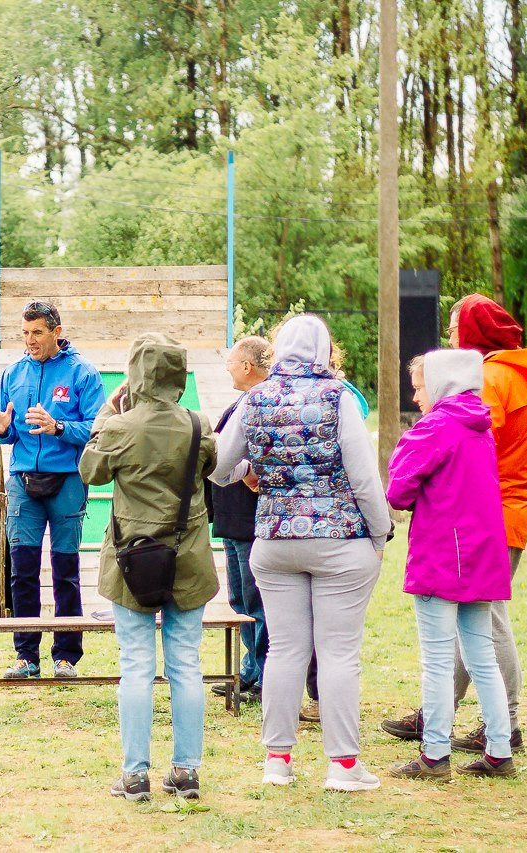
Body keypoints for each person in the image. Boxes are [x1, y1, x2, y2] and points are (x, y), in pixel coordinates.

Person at [211, 314, 391, 792]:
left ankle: (277, 760)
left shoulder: (256, 397)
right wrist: (380, 533)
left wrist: (251, 471)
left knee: (285, 650)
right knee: (338, 653)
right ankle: (344, 766)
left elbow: (218, 466)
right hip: (340, 539)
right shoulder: (337, 396)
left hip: (274, 540)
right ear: (324, 350)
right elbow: (363, 476)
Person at [382, 294, 527, 752]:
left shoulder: (490, 379)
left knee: (485, 627)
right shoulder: (523, 376)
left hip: (476, 518)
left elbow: (460, 454)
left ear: (474, 332)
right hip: (509, 509)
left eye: (456, 329)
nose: (451, 338)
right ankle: (456, 717)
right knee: (475, 628)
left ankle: (503, 725)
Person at [80, 333, 218, 802]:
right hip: (188, 558)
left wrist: (108, 412)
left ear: (134, 375)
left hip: (131, 559)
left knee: (136, 665)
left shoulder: (120, 428)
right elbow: (209, 467)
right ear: (178, 376)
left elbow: (90, 471)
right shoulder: (198, 425)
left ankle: (135, 775)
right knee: (187, 664)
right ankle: (186, 771)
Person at [386, 351, 517, 782]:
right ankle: (499, 749)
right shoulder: (481, 426)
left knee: (438, 660)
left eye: (420, 387)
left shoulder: (436, 427)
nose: (416, 397)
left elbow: (398, 490)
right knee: (482, 656)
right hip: (481, 556)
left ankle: (434, 754)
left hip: (442, 555)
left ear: (441, 385)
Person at [0, 301, 104, 680]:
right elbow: (5, 431)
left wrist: (59, 427)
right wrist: (2, 429)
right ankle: (26, 656)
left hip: (67, 480)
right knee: (22, 570)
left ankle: (66, 657)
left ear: (56, 331)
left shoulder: (83, 373)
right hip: (23, 481)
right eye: (25, 333)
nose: (30, 340)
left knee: (65, 569)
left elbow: (98, 428)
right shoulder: (12, 374)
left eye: (37, 332)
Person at [208, 335, 270, 705]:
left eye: (231, 362)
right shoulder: (241, 402)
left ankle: (263, 674)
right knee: (240, 600)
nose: (228, 368)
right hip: (231, 519)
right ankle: (249, 668)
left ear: (246, 366)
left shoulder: (263, 402)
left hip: (251, 520)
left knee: (256, 600)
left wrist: (246, 468)